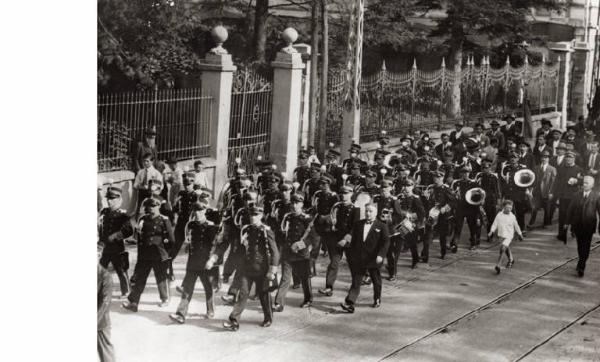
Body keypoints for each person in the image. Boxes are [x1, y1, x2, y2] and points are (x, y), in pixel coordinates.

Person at [223, 207, 279, 331]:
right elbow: (242, 249)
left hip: (261, 269)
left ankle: (268, 317)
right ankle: (234, 320)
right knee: (243, 294)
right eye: (251, 215)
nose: (253, 217)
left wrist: (272, 270)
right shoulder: (246, 229)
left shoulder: (266, 231)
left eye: (256, 215)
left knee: (264, 295)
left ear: (261, 216)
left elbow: (275, 252)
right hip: (246, 268)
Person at [169, 201, 224, 323]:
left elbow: (217, 246)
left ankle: (210, 309)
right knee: (187, 288)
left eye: (200, 211)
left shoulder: (212, 227)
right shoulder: (190, 225)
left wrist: (212, 261)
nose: (198, 213)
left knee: (208, 287)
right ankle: (181, 313)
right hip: (193, 263)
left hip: (206, 264)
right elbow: (188, 242)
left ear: (205, 211)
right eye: (196, 211)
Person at [122, 197, 174, 312]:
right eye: (149, 207)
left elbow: (171, 240)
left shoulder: (164, 220)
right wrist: (140, 256)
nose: (151, 209)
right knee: (140, 278)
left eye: (154, 206)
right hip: (145, 254)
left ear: (158, 207)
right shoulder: (143, 219)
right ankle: (134, 302)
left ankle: (165, 298)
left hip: (159, 254)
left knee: (161, 277)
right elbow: (138, 237)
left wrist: (168, 255)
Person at [339, 203, 390, 313]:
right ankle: (350, 303)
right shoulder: (358, 224)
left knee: (376, 280)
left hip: (373, 258)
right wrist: (345, 240)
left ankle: (377, 298)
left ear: (375, 213)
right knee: (356, 281)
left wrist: (381, 255)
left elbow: (386, 242)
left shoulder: (382, 226)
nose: (368, 213)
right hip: (360, 257)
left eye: (370, 211)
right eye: (366, 211)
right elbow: (351, 234)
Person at [273, 193, 316, 311]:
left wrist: (300, 245)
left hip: (301, 254)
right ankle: (278, 303)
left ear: (302, 204)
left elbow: (312, 237)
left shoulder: (307, 219)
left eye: (297, 203)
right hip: (287, 252)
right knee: (285, 278)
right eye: (292, 202)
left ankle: (308, 299)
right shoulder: (287, 217)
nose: (294, 205)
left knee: (304, 278)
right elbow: (282, 233)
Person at [318, 185, 358, 296]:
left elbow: (355, 227)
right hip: (336, 238)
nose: (344, 196)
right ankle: (329, 287)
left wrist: (346, 239)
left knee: (353, 264)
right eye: (342, 193)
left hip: (349, 241)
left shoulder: (355, 208)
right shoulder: (336, 206)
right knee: (333, 263)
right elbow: (332, 220)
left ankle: (355, 286)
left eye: (346, 193)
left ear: (351, 194)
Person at [98, 186, 134, 298]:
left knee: (121, 270)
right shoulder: (104, 212)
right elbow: (100, 227)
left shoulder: (123, 215)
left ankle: (126, 291)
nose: (109, 201)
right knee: (100, 270)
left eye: (112, 199)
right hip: (104, 247)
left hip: (117, 248)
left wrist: (115, 236)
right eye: (108, 199)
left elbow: (129, 231)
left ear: (119, 199)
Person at [565, 176, 600, 277]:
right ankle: (581, 261)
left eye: (587, 183)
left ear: (592, 185)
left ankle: (581, 265)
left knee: (586, 246)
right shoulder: (577, 195)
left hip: (589, 225)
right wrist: (567, 222)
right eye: (584, 183)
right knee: (580, 246)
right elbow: (570, 209)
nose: (584, 185)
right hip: (577, 225)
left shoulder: (596, 196)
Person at [553, 152, 583, 242]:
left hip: (574, 196)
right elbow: (557, 182)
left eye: (570, 158)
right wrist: (556, 195)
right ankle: (561, 233)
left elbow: (583, 181)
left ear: (574, 159)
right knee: (562, 215)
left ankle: (573, 230)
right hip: (563, 195)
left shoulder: (579, 169)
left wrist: (576, 181)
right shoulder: (561, 168)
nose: (568, 159)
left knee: (574, 214)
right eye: (567, 158)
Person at [488, 200, 524, 274]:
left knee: (503, 248)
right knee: (506, 247)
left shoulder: (512, 216)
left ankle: (498, 265)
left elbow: (516, 226)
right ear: (503, 207)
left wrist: (520, 234)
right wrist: (491, 231)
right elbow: (495, 224)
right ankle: (511, 259)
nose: (509, 210)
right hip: (501, 234)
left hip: (509, 235)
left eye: (510, 208)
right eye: (507, 208)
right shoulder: (499, 215)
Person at [529, 151, 557, 229]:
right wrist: (531, 189)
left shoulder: (552, 169)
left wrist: (551, 192)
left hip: (546, 191)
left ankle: (546, 223)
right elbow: (533, 179)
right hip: (537, 191)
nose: (544, 159)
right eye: (543, 157)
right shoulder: (536, 168)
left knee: (547, 208)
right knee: (534, 207)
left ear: (548, 159)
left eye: (546, 157)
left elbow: (553, 182)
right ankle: (532, 222)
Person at [98, 243, 115, 362]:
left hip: (100, 323)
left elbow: (105, 302)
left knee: (106, 355)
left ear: (99, 255)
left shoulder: (105, 276)